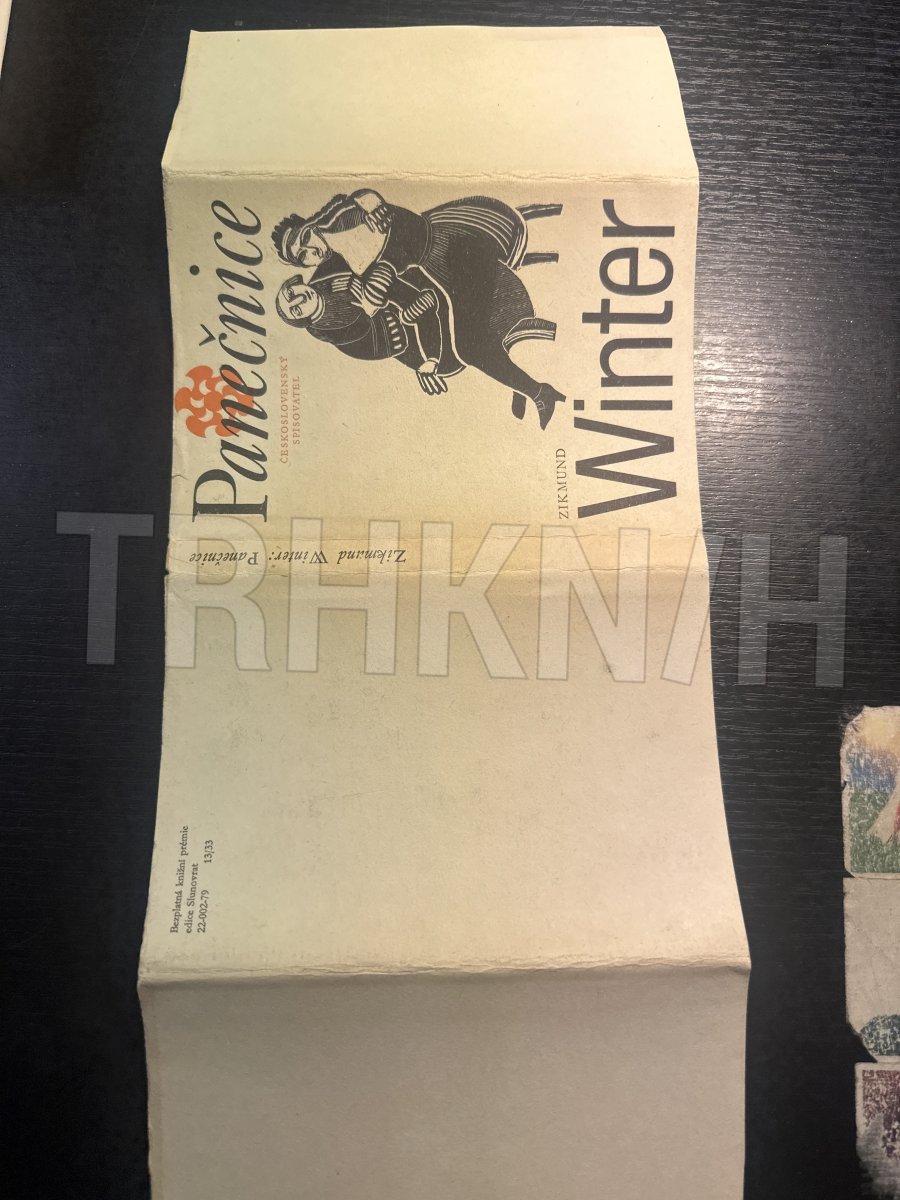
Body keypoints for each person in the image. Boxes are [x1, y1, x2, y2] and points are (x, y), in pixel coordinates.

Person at [272, 190, 566, 428]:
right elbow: (371, 305)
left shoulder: (336, 222)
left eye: (306, 239)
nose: (311, 252)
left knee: (470, 346)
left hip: (447, 253)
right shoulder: (331, 271)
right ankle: (521, 383)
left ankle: (539, 391)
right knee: (467, 338)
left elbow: (366, 203)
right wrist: (381, 297)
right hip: (432, 278)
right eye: (302, 257)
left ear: (310, 226)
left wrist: (372, 208)